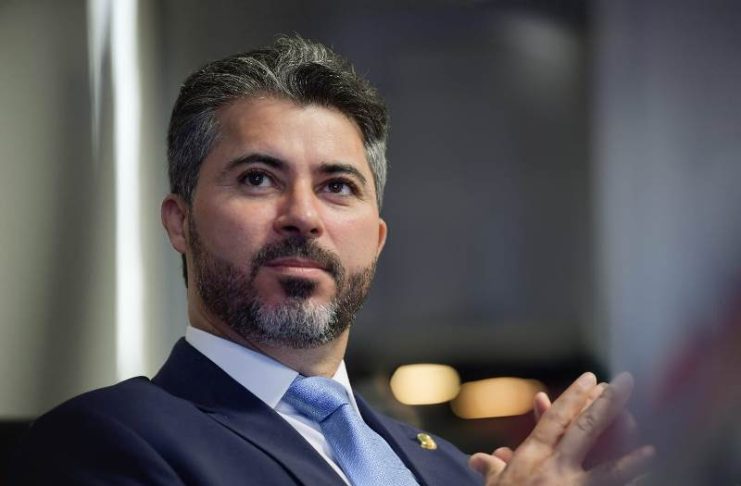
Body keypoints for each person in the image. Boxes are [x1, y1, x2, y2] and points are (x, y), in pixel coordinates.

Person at [8, 35, 653, 485]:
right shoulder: (101, 443)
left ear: (377, 239)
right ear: (180, 222)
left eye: (337, 186)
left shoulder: (453, 470)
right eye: (258, 178)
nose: (304, 215)